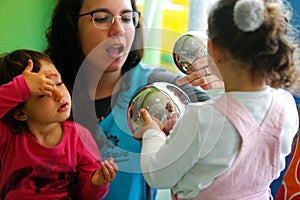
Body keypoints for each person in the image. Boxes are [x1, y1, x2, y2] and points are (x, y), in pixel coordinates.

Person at [44, 0, 222, 199]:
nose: (118, 29)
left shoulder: (156, 87)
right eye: (102, 18)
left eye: (127, 18)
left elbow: (228, 123)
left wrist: (229, 80)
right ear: (71, 27)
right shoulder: (45, 90)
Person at [134, 0, 299, 199]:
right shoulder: (286, 105)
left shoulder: (203, 118)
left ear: (213, 48)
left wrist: (152, 133)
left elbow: (157, 174)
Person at [0, 49, 118, 199]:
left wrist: (97, 183)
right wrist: (21, 87)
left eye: (59, 83)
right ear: (20, 113)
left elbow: (88, 196)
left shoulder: (79, 137)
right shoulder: (8, 136)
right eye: (43, 93)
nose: (59, 94)